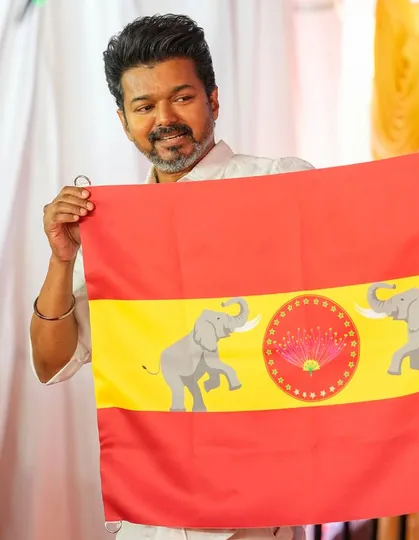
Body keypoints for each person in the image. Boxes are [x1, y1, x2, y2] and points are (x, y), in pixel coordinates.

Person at [29, 14, 312, 540]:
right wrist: (62, 258)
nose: (164, 118)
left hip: (254, 509)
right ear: (124, 120)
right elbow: (51, 363)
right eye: (143, 106)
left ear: (214, 100)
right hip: (149, 513)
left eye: (182, 97)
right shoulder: (116, 229)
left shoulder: (280, 181)